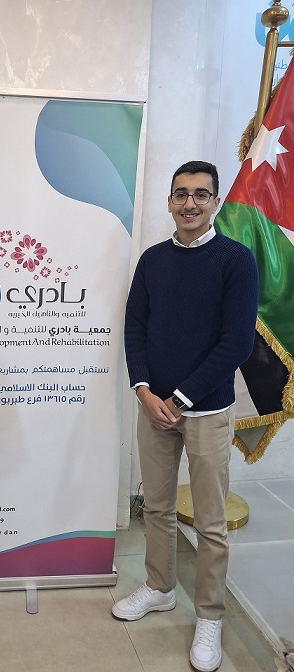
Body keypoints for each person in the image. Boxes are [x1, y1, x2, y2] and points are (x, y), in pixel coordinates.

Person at [112, 162, 259, 672]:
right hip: (153, 406)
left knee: (211, 522)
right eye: (180, 194)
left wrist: (178, 399)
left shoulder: (236, 260)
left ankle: (210, 615)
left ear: (215, 201)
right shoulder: (153, 260)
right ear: (170, 201)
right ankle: (159, 587)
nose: (189, 203)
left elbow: (236, 343)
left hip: (207, 410)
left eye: (200, 194)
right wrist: (143, 389)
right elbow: (135, 326)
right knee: (156, 507)